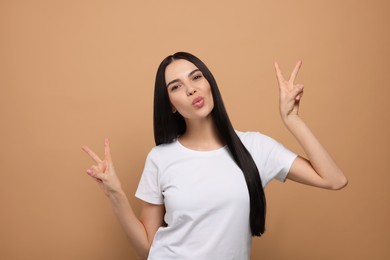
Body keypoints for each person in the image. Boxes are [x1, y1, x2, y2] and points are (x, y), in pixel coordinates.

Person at [81, 52, 347, 260]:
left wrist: (292, 120)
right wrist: (115, 194)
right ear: (170, 106)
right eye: (176, 86)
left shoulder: (255, 147)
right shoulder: (160, 158)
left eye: (196, 77)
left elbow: (334, 179)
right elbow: (146, 250)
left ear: (209, 83)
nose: (191, 89)